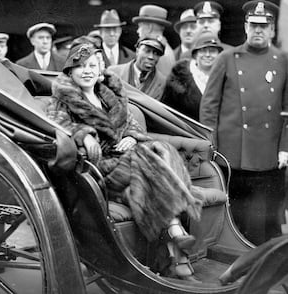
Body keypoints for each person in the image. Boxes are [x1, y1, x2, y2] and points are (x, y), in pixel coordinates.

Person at [46, 43, 203, 280]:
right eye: (79, 67)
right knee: (144, 156)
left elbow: (132, 125)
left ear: (99, 69)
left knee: (161, 151)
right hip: (99, 167)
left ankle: (174, 248)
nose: (86, 71)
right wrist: (84, 134)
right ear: (70, 72)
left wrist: (131, 136)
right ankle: (175, 229)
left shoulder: (108, 94)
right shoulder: (63, 99)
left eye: (91, 66)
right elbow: (56, 125)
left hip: (129, 164)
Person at [199, 0, 288, 245]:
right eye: (254, 25)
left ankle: (265, 272)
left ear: (272, 30)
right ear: (245, 27)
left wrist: (285, 148)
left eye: (265, 25)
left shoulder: (282, 60)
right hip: (232, 155)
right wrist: (211, 146)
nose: (258, 30)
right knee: (235, 222)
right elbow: (209, 107)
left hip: (269, 157)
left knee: (266, 223)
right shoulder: (227, 58)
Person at [162, 33, 223, 121]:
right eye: (203, 50)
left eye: (212, 51)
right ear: (195, 54)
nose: (207, 54)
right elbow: (168, 111)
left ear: (219, 54)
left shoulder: (226, 77)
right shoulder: (178, 79)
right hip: (187, 131)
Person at [108, 35, 166, 100]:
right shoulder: (114, 72)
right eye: (147, 51)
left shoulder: (162, 82)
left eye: (156, 53)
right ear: (137, 51)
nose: (151, 57)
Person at [132, 4, 176, 77]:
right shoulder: (163, 49)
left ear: (149, 27)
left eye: (140, 27)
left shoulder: (161, 53)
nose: (138, 31)